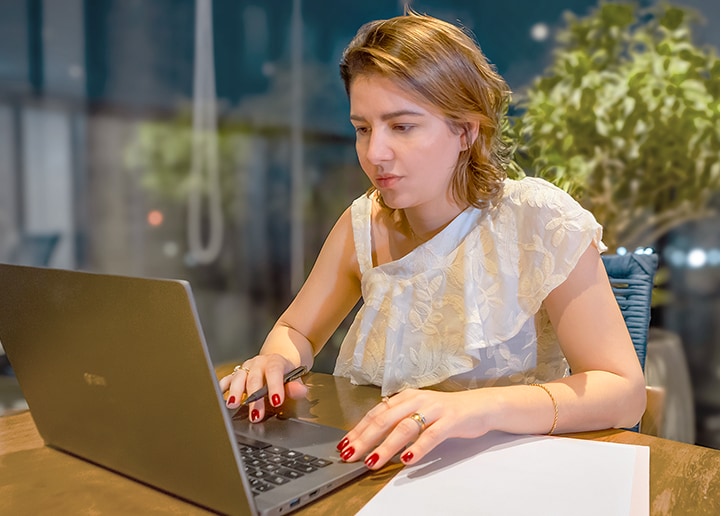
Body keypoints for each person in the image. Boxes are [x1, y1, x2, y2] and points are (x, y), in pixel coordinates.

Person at [219, 12, 646, 471]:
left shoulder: (537, 219)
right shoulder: (363, 224)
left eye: (401, 127)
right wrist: (275, 362)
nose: (375, 153)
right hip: (384, 467)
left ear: (465, 130)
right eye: (363, 128)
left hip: (512, 474)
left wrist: (480, 408)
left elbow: (623, 391)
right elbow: (296, 332)